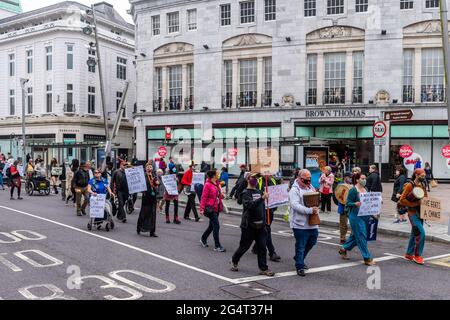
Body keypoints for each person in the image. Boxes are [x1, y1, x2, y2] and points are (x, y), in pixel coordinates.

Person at [230, 173, 275, 277]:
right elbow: (249, 205)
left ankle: (263, 268)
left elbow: (262, 205)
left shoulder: (259, 191)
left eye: (256, 178)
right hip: (249, 226)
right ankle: (234, 260)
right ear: (248, 180)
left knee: (262, 247)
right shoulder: (245, 193)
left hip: (261, 225)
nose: (255, 179)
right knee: (244, 247)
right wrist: (262, 198)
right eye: (253, 178)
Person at [338, 173, 375, 266]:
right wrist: (355, 204)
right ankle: (367, 258)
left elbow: (368, 201)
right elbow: (347, 203)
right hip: (356, 217)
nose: (364, 180)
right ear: (357, 180)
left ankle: (344, 249)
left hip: (365, 216)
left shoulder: (365, 189)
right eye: (362, 178)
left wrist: (377, 202)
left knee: (355, 237)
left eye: (365, 178)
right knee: (362, 236)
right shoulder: (353, 190)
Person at [289, 169, 320, 277]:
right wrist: (310, 210)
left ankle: (299, 257)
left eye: (309, 179)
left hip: (312, 222)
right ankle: (300, 266)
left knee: (312, 241)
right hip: (299, 223)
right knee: (301, 245)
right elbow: (295, 205)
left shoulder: (310, 187)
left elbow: (316, 201)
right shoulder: (294, 190)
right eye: (306, 180)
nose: (308, 181)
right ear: (299, 178)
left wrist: (316, 209)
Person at [399, 168, 428, 265]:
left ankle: (408, 254)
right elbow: (402, 200)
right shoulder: (409, 185)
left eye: (424, 175)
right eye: (422, 176)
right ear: (416, 175)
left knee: (414, 233)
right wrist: (415, 204)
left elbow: (426, 198)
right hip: (412, 213)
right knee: (421, 233)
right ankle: (417, 255)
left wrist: (427, 208)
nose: (424, 177)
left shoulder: (423, 184)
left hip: (421, 213)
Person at [253, 174, 281, 262]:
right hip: (262, 210)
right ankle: (272, 253)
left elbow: (277, 193)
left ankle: (256, 247)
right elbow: (255, 194)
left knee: (263, 231)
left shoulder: (273, 180)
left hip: (270, 209)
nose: (269, 174)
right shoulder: (259, 181)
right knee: (267, 230)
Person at [200, 169, 225, 252]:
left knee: (211, 226)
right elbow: (204, 197)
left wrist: (221, 195)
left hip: (216, 207)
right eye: (217, 173)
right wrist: (202, 208)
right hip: (210, 208)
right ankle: (217, 246)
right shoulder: (207, 185)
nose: (218, 174)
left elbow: (217, 195)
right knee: (216, 226)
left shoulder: (216, 183)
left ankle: (203, 238)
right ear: (213, 176)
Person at [137, 164, 159, 237]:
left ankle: (152, 231)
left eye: (151, 167)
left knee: (153, 214)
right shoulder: (143, 176)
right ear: (145, 168)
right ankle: (139, 227)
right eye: (148, 167)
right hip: (146, 196)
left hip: (153, 196)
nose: (149, 168)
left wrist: (157, 183)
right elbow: (140, 185)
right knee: (144, 213)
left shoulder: (154, 176)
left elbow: (157, 185)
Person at [337, 172, 352, 243]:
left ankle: (353, 237)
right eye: (349, 177)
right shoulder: (340, 185)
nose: (351, 179)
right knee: (343, 224)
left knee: (353, 223)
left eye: (351, 177)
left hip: (351, 207)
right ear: (345, 177)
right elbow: (337, 196)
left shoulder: (352, 186)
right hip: (343, 208)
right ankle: (342, 237)